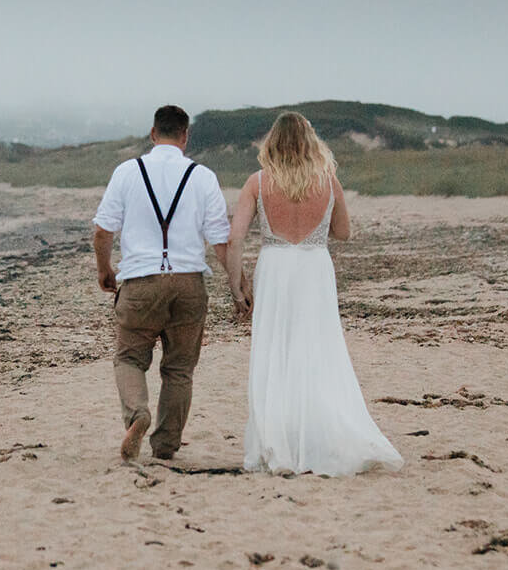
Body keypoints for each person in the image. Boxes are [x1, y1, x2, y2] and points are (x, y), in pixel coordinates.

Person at [225, 112, 404, 475]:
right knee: (317, 352)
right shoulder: (328, 181)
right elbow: (343, 232)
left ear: (272, 143)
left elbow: (235, 238)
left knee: (275, 352)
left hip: (274, 269)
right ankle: (317, 437)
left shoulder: (257, 183)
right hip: (312, 270)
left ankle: (278, 441)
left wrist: (236, 285)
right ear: (311, 143)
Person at [93, 105, 231, 461]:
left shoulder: (128, 171)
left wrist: (104, 269)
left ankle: (137, 414)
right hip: (188, 283)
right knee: (179, 369)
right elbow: (220, 240)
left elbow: (103, 230)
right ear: (185, 137)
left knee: (128, 358)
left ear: (153, 134)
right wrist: (238, 284)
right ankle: (166, 445)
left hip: (141, 281)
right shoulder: (203, 177)